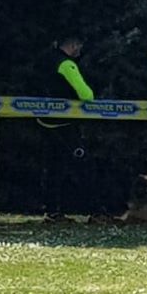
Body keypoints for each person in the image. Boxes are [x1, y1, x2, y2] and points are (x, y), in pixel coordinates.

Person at [39, 36, 95, 219]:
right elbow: (86, 94)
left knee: (53, 167)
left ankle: (52, 211)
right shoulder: (67, 65)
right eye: (79, 46)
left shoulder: (46, 59)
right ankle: (95, 211)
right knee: (80, 165)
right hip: (64, 125)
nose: (80, 51)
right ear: (73, 45)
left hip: (45, 121)